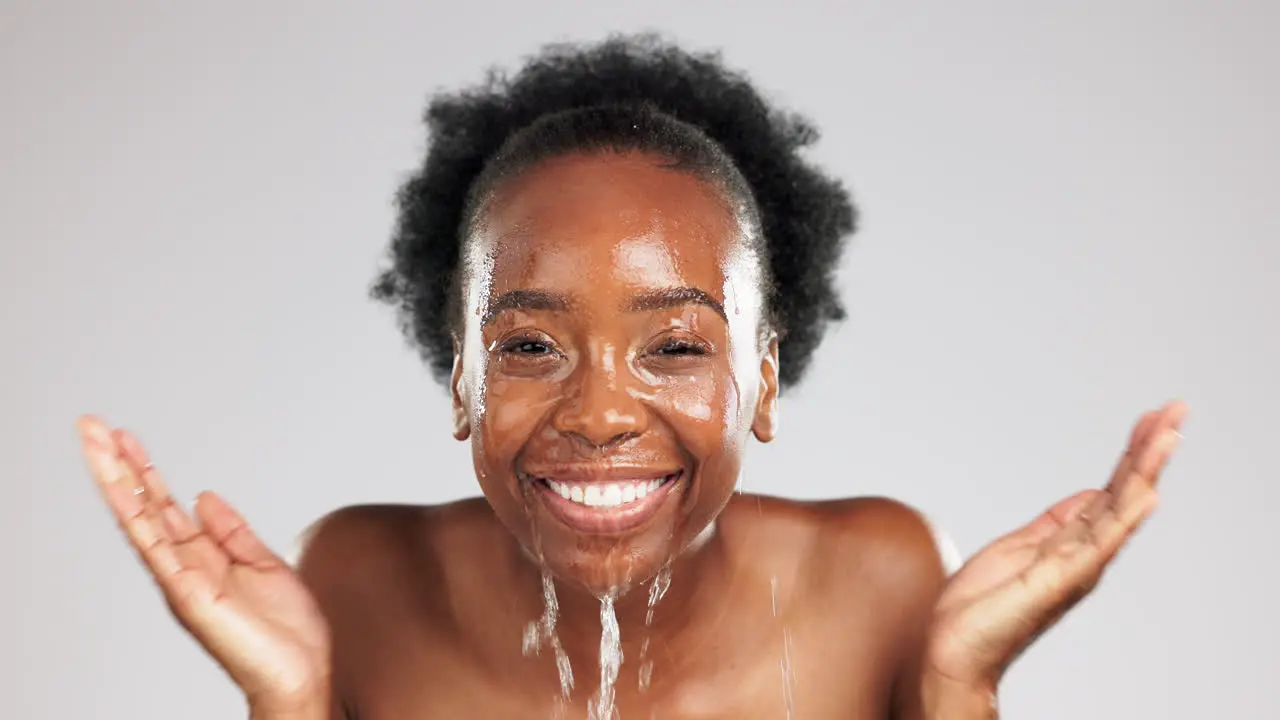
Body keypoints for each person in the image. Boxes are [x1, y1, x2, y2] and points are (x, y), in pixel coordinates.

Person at [76, 34, 1186, 720]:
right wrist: (289, 701)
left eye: (674, 345)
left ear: (760, 379)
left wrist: (957, 690)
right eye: (527, 346)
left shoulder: (882, 583)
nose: (601, 411)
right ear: (460, 376)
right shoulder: (353, 584)